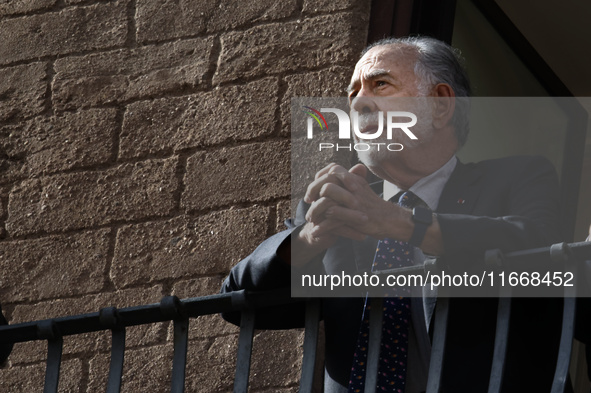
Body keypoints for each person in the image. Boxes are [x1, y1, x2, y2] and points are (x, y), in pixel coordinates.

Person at [221, 36, 564, 392]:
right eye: (353, 94)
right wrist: (308, 239)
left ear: (441, 105)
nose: (358, 103)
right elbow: (239, 303)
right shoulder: (334, 207)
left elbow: (541, 253)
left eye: (380, 84)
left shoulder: (516, 177)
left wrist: (402, 223)